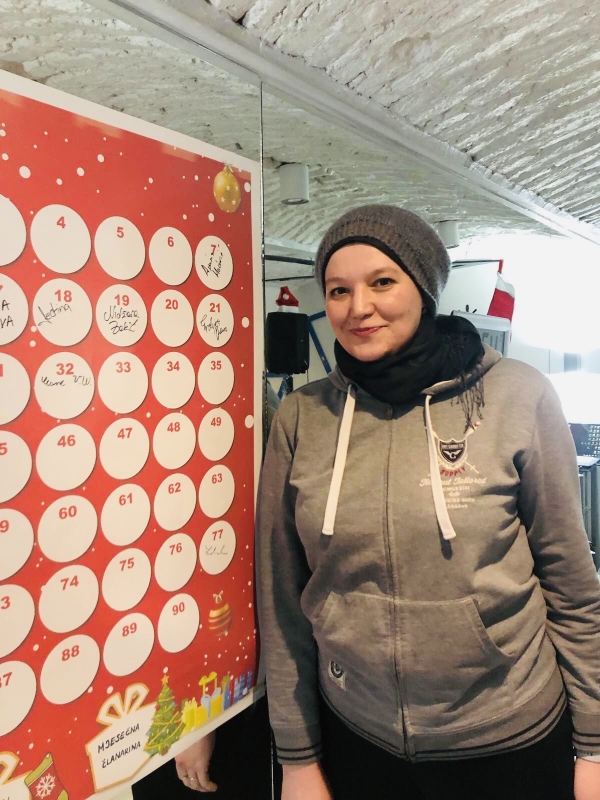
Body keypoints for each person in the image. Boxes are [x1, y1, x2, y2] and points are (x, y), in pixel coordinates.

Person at [256, 204, 600, 800]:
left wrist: (593, 745)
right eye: (338, 290)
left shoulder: (517, 395)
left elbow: (571, 582)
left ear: (424, 290)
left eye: (381, 282)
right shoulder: (301, 417)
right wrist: (297, 756)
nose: (358, 307)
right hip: (356, 734)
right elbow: (282, 597)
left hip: (509, 734)